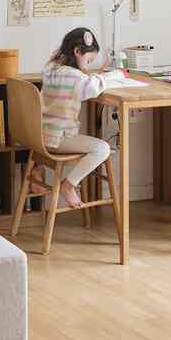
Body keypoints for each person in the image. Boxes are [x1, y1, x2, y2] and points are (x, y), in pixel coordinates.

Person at [34, 27, 112, 209]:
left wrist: (89, 74)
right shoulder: (74, 76)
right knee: (102, 149)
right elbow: (92, 88)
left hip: (40, 137)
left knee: (90, 142)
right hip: (57, 139)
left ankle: (36, 168)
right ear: (77, 52)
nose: (88, 66)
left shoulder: (51, 68)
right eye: (88, 60)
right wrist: (108, 77)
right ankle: (68, 185)